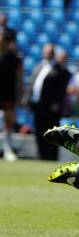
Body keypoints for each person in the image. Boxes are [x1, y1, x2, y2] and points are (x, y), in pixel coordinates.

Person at [27, 44, 70, 161]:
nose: (48, 54)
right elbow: (33, 84)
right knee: (39, 131)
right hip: (37, 105)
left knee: (51, 132)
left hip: (51, 107)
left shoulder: (60, 70)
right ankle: (41, 155)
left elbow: (61, 89)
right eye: (46, 51)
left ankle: (51, 157)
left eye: (50, 51)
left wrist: (57, 102)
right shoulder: (39, 67)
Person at [0, 29, 21, 162]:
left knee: (8, 121)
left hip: (8, 94)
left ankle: (8, 149)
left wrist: (20, 95)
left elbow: (19, 78)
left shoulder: (14, 58)